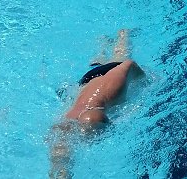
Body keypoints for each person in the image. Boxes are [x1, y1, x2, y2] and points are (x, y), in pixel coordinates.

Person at [49, 29, 144, 178]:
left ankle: (118, 35)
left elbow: (127, 65)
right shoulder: (113, 81)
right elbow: (130, 64)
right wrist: (145, 80)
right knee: (118, 53)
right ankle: (121, 34)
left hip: (100, 79)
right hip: (90, 83)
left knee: (62, 134)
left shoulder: (108, 86)